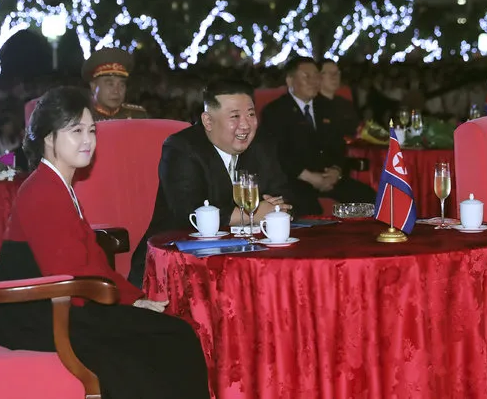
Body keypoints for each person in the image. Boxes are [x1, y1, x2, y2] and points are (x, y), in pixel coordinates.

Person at [0, 86, 210, 399]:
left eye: (91, 130)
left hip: (61, 301)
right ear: (49, 138)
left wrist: (134, 300)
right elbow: (69, 274)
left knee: (172, 334)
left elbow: (90, 260)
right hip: (36, 315)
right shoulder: (43, 192)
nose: (88, 140)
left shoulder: (58, 185)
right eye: (76, 131)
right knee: (166, 341)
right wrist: (121, 308)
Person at [128, 79, 293, 288]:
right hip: (178, 263)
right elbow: (189, 211)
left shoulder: (261, 146)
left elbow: (284, 193)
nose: (245, 125)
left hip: (246, 261)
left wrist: (275, 207)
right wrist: (253, 214)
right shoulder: (182, 148)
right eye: (234, 117)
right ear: (208, 121)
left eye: (251, 114)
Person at [259, 56, 376, 216]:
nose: (314, 81)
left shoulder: (328, 107)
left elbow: (338, 145)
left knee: (369, 198)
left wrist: (336, 170)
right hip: (296, 179)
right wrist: (309, 177)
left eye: (316, 76)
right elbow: (277, 154)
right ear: (290, 81)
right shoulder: (275, 111)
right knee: (309, 209)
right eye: (307, 76)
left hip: (329, 177)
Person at [81, 47, 148, 120]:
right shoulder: (81, 117)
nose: (116, 91)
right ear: (93, 87)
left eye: (121, 85)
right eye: (110, 84)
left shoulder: (137, 117)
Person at [317, 59, 360, 137]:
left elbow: (357, 130)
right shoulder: (311, 105)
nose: (334, 77)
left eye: (337, 73)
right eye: (330, 73)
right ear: (319, 76)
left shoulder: (346, 104)